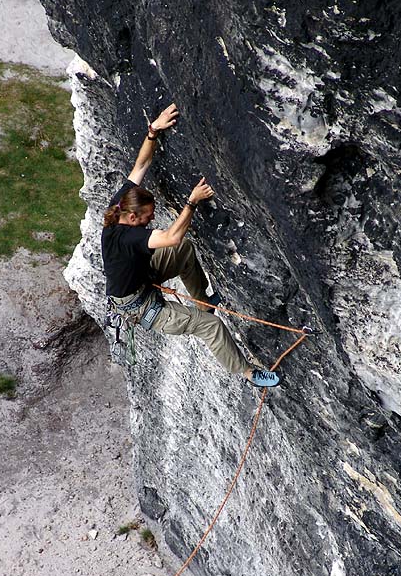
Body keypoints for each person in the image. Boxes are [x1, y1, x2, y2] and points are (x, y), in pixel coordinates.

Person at [101, 102, 281, 387]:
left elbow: (141, 165)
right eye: (147, 218)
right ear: (133, 217)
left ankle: (201, 302)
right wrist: (191, 202)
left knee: (183, 252)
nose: (150, 220)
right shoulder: (130, 236)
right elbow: (172, 236)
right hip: (140, 306)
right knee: (210, 326)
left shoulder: (120, 205)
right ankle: (249, 373)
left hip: (141, 280)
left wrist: (153, 131)